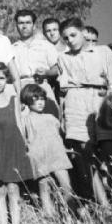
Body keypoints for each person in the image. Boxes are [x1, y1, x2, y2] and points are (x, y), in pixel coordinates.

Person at [58, 18, 112, 205]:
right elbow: (65, 86)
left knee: (109, 150)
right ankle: (104, 206)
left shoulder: (102, 52)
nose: (70, 40)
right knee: (86, 154)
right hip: (76, 103)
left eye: (73, 35)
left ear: (83, 32)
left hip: (101, 101)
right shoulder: (63, 57)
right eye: (66, 38)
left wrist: (111, 98)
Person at [0, 63, 33, 224]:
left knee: (13, 188)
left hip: (12, 146)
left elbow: (19, 124)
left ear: (7, 80)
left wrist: (25, 145)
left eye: (1, 78)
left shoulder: (14, 99)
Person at [21, 84, 76, 215]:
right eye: (35, 99)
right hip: (39, 158)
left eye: (42, 99)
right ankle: (49, 218)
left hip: (57, 156)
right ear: (27, 100)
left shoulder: (51, 118)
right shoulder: (25, 120)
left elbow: (60, 135)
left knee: (66, 187)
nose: (40, 102)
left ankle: (71, 217)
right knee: (44, 188)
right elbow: (24, 140)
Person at [13, 10, 60, 111]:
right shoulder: (11, 48)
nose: (24, 26)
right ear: (16, 26)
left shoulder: (46, 45)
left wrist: (46, 72)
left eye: (28, 23)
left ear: (34, 25)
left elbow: (57, 68)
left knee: (50, 120)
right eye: (21, 23)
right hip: (21, 88)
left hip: (42, 85)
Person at [95, 92, 112, 204]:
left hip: (105, 146)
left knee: (109, 177)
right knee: (111, 176)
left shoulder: (101, 115)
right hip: (110, 145)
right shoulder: (108, 113)